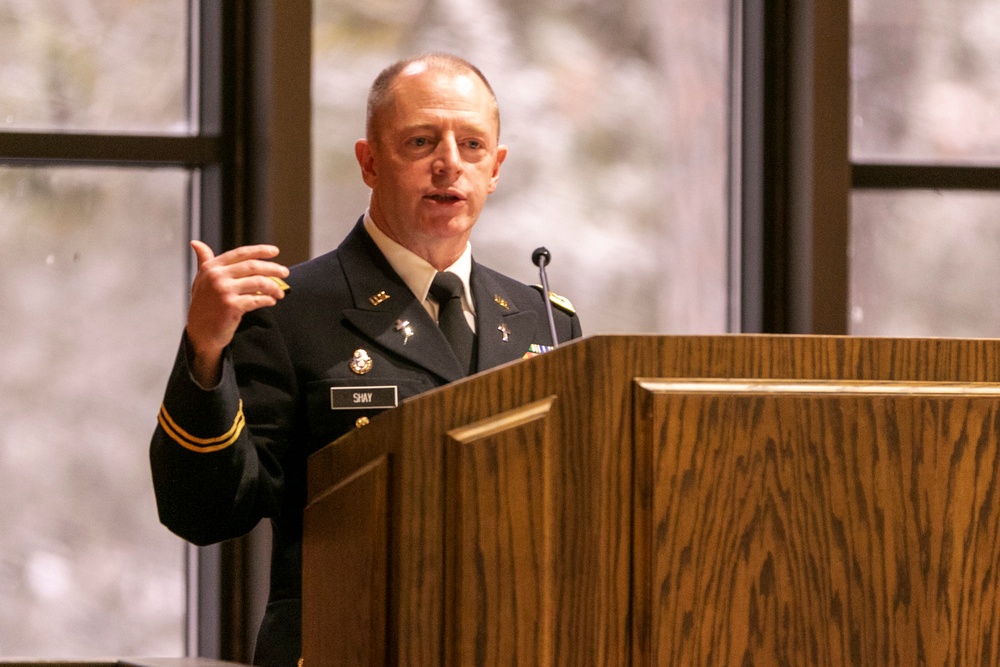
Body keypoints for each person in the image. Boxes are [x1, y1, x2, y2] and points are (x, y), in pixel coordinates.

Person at [149, 53, 582, 666]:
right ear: (369, 162)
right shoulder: (288, 312)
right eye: (421, 141)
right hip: (348, 644)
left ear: (496, 169)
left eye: (473, 144)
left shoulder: (545, 322)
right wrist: (204, 351)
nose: (449, 164)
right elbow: (206, 511)